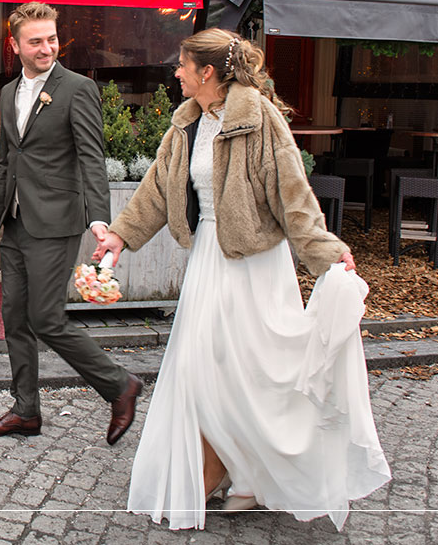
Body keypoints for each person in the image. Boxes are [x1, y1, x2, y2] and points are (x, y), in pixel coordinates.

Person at [94, 28, 391, 530]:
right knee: (202, 368)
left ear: (207, 71)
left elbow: (292, 195)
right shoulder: (186, 123)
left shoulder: (260, 119)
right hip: (208, 259)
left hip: (254, 264)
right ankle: (229, 468)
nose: (177, 72)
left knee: (248, 370)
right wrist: (121, 236)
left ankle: (245, 473)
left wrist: (324, 253)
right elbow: (156, 192)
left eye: (183, 65)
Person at [0, 1, 142, 445]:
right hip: (15, 221)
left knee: (46, 318)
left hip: (58, 221)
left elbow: (91, 156)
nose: (47, 48)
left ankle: (119, 385)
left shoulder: (78, 88)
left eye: (51, 39)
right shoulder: (8, 93)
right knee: (15, 318)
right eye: (36, 41)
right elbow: (8, 160)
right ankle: (26, 411)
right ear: (15, 46)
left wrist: (100, 219)